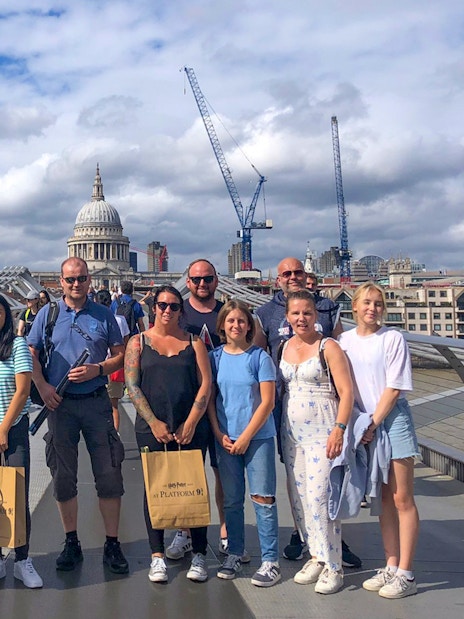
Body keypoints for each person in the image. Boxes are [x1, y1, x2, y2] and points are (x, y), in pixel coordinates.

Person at [254, 257, 362, 568]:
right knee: (298, 483)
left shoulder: (328, 308)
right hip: (286, 411)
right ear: (278, 280)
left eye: (297, 272)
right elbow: (260, 357)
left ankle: (331, 551)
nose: (292, 277)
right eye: (285, 273)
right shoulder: (264, 313)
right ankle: (307, 541)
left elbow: (344, 350)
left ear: (306, 275)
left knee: (322, 488)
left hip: (326, 411)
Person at [27, 257, 128, 574]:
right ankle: (71, 541)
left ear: (89, 280)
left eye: (82, 278)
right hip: (60, 404)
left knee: (109, 473)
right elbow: (29, 352)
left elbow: (120, 354)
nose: (76, 284)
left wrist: (98, 369)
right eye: (70, 279)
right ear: (60, 281)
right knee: (63, 476)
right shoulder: (47, 314)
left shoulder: (104, 314)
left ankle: (112, 543)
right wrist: (42, 386)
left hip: (97, 402)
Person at [125, 285, 212, 584]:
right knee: (155, 489)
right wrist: (153, 423)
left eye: (174, 306)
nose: (167, 310)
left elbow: (205, 384)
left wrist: (190, 422)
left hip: (190, 428)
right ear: (154, 308)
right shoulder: (138, 342)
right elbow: (132, 385)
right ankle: (157, 555)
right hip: (152, 429)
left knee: (193, 488)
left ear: (181, 310)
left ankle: (199, 552)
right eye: (162, 305)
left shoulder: (195, 342)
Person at [339, 282, 420, 599]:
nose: (372, 308)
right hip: (365, 424)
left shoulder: (393, 338)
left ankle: (407, 574)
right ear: (355, 307)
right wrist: (361, 425)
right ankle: (391, 564)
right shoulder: (343, 341)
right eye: (367, 303)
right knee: (383, 500)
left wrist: (372, 423)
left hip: (392, 420)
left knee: (402, 499)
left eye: (378, 304)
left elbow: (395, 386)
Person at [165, 259, 247, 564]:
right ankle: (185, 533)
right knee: (189, 474)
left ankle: (227, 534)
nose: (202, 284)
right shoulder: (175, 311)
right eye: (196, 279)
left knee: (224, 475)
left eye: (208, 278)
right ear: (187, 281)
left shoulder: (230, 312)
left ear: (217, 281)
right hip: (190, 408)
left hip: (228, 407)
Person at [208, 300, 281, 587]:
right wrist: (218, 433)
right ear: (222, 326)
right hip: (226, 439)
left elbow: (268, 402)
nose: (236, 325)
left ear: (249, 325)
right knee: (233, 500)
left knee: (263, 499)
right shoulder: (215, 357)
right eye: (230, 321)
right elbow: (212, 399)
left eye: (241, 321)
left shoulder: (260, 358)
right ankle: (235, 553)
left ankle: (270, 560)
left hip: (257, 438)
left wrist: (246, 436)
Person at [0, 294, 43, 588]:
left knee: (16, 495)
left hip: (12, 430)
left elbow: (23, 391)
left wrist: (2, 429)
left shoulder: (17, 346)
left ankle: (22, 559)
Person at [95, 289, 130, 431]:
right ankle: (115, 435)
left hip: (97, 366)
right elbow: (126, 344)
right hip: (115, 366)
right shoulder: (120, 320)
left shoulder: (94, 319)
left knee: (95, 404)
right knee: (114, 405)